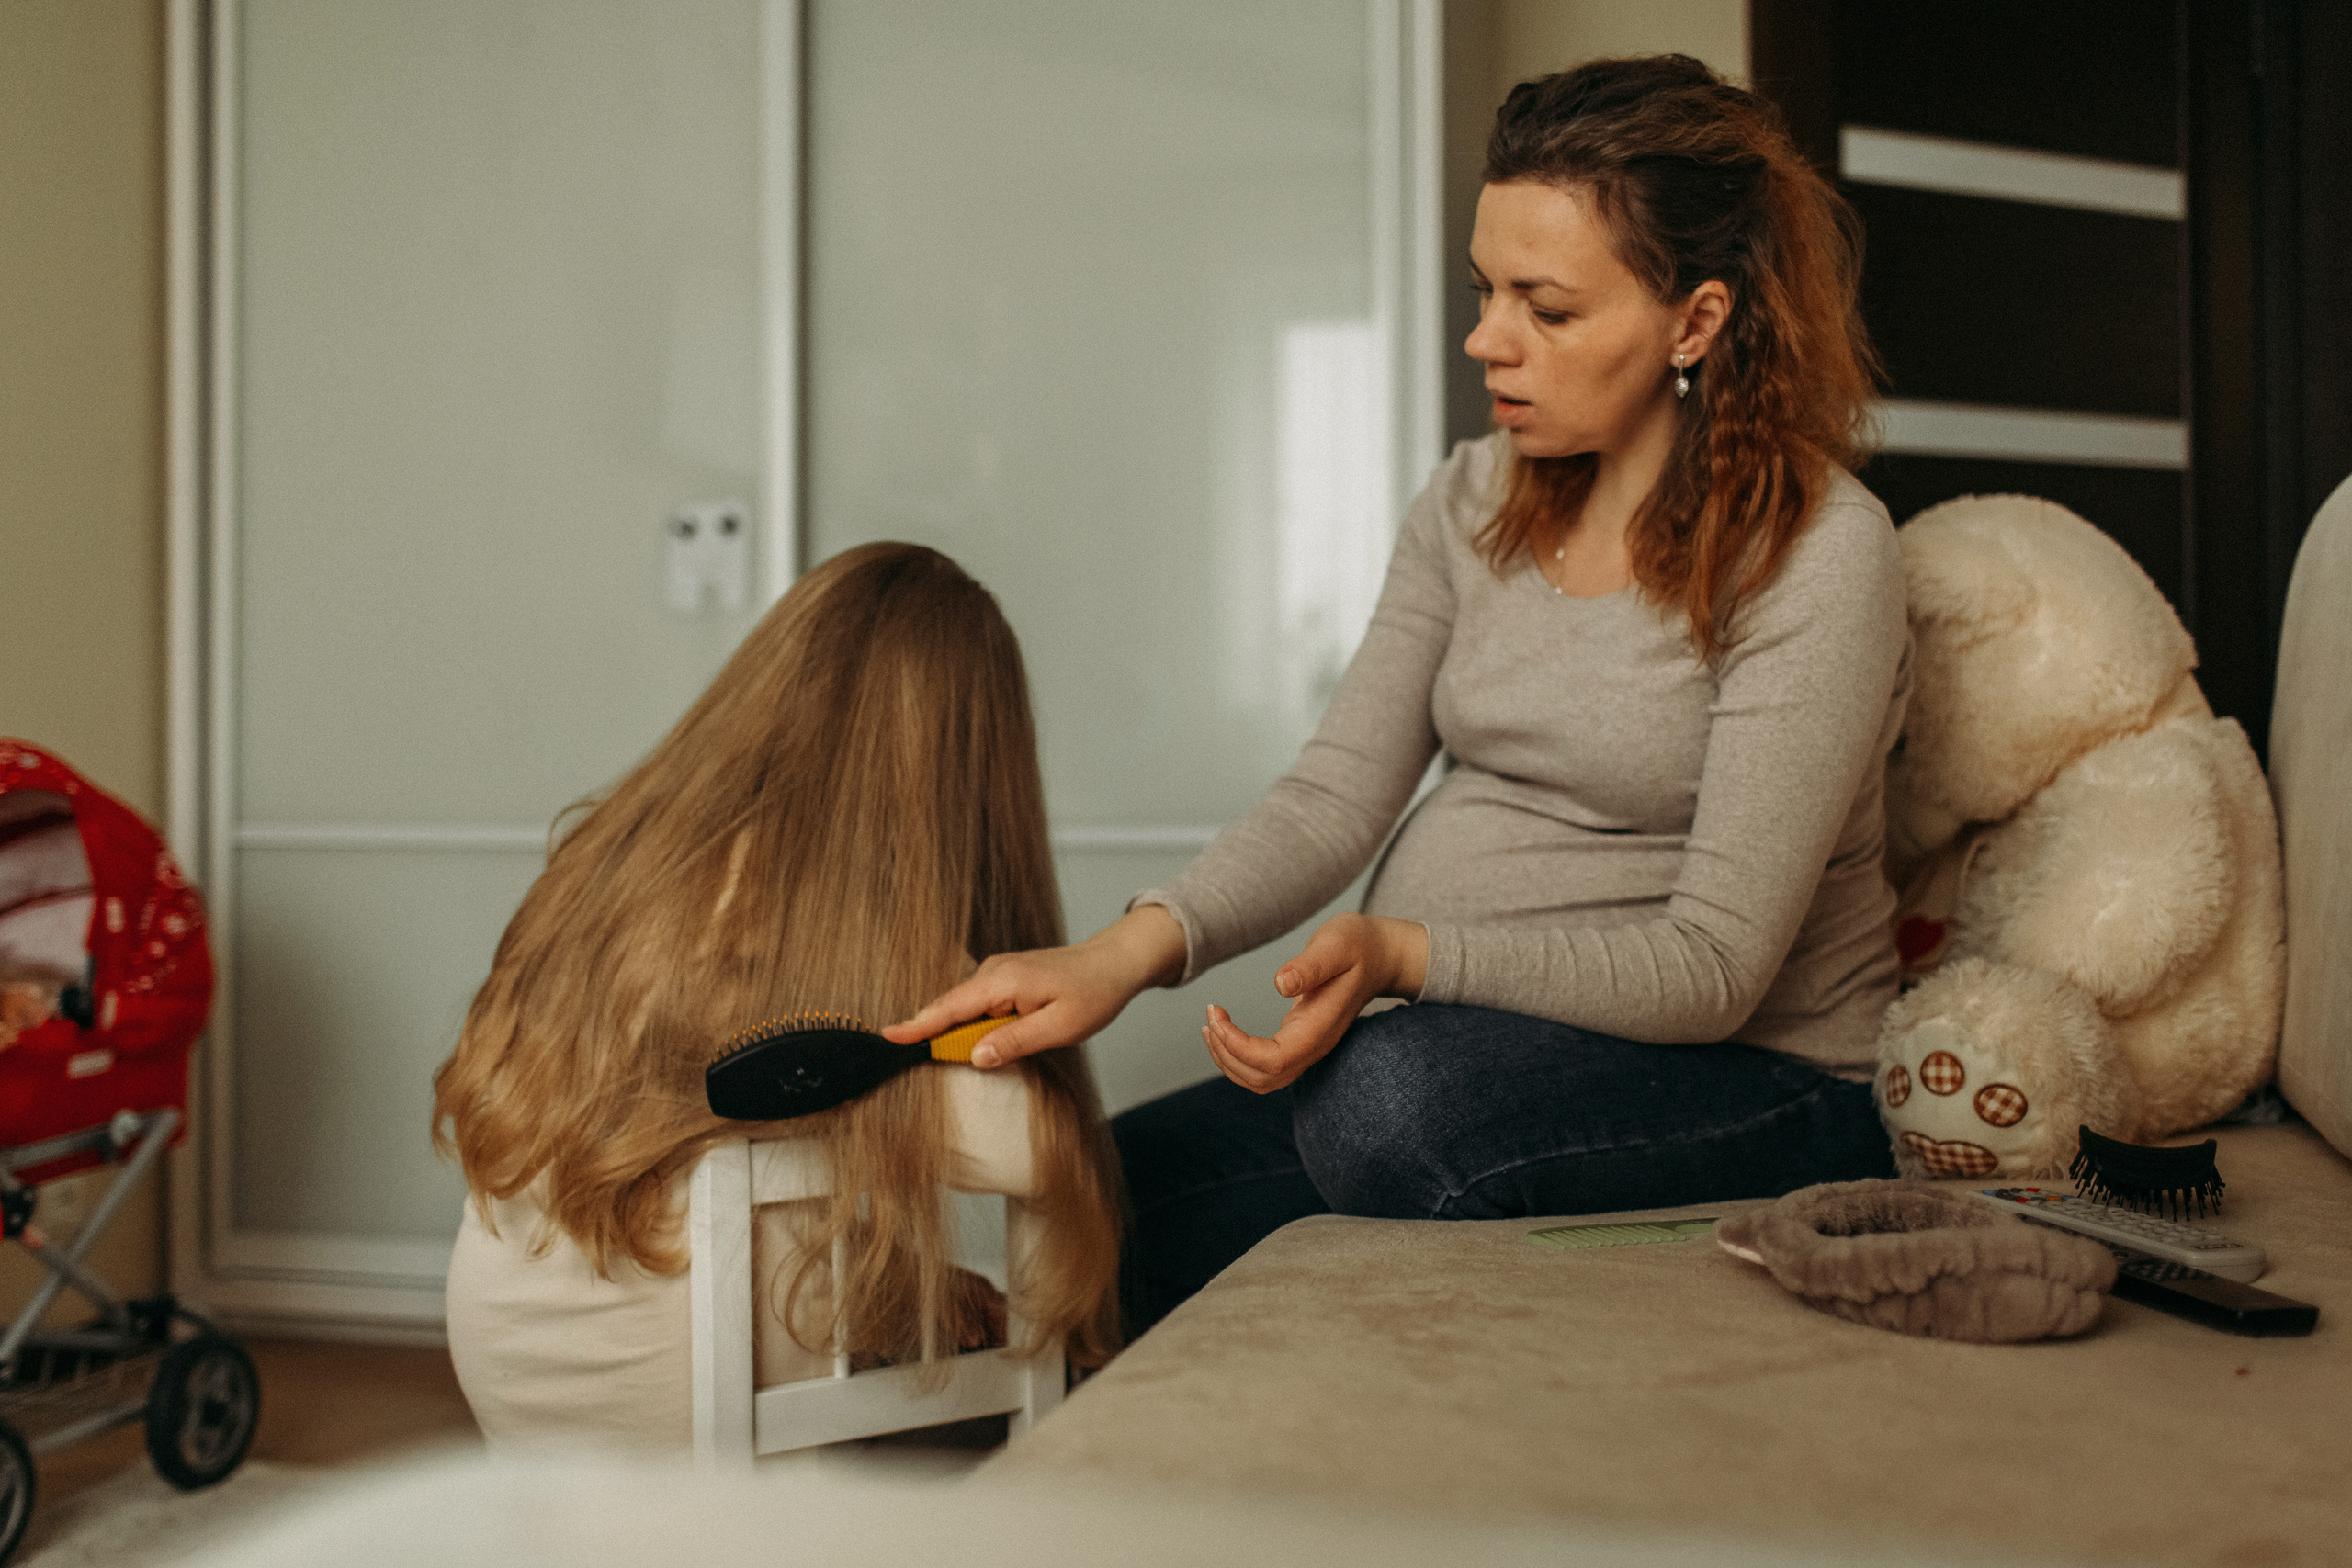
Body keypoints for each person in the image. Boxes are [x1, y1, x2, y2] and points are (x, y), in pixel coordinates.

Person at [888, 55, 1907, 1335]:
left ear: (1695, 322)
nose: (1487, 339)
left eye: (1546, 308)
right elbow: (1334, 793)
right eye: (1486, 291)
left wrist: (1409, 956)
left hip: (1757, 1079)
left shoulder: (1819, 551)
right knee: (1106, 1190)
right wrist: (1120, 956)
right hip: (1457, 1056)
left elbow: (1713, 968)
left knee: (1384, 1100)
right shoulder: (1472, 497)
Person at [435, 543, 1121, 1448]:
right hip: (695, 1409)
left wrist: (894, 1280)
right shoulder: (850, 926)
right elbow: (1028, 1148)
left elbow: (680, 1153)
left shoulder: (613, 862)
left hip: (510, 1376)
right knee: (1060, 1397)